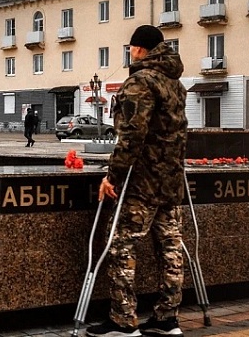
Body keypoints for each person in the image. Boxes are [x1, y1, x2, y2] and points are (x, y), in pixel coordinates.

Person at [87, 25, 188, 337]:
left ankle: (123, 319)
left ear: (140, 49)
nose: (130, 53)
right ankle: (167, 318)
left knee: (120, 246)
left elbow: (132, 135)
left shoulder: (141, 81)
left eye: (131, 48)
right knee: (170, 249)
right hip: (171, 182)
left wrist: (112, 176)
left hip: (142, 183)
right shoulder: (175, 83)